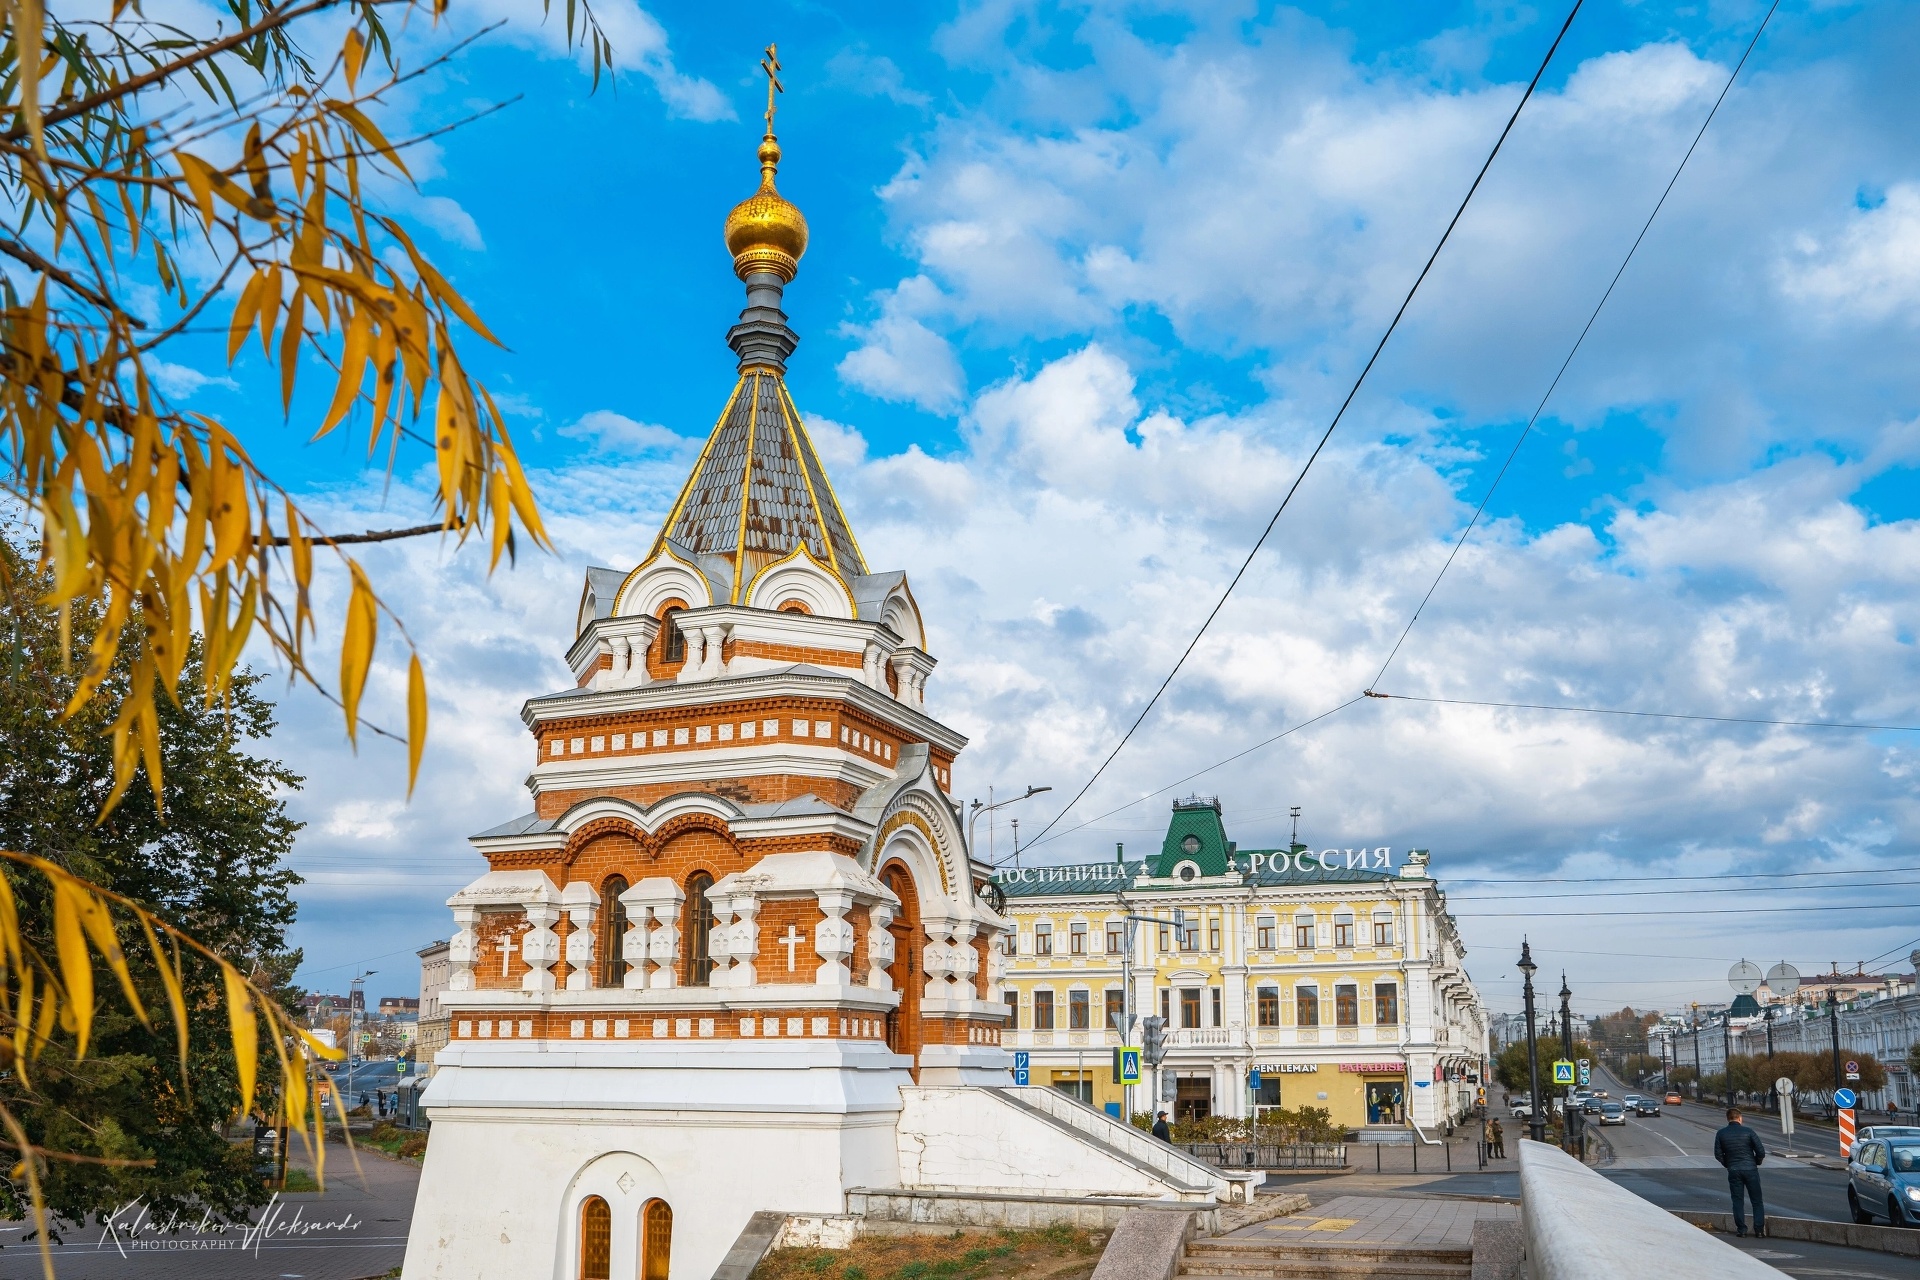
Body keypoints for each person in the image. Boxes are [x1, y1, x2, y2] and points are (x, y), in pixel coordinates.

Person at [1713, 1106, 1767, 1237]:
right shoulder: (1748, 1132)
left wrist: (1728, 1164)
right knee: (1757, 1201)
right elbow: (1761, 1152)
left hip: (1734, 1170)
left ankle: (1741, 1230)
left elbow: (1718, 1154)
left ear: (1727, 1119)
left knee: (1737, 1200)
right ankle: (1759, 1230)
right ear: (1740, 1118)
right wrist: (1756, 1162)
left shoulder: (1721, 1133)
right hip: (1751, 1170)